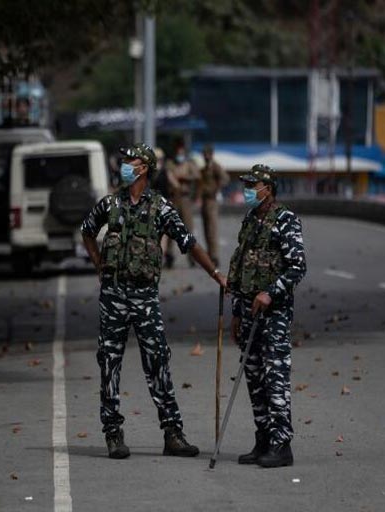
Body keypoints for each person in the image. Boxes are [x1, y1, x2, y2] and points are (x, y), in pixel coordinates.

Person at [81, 143, 227, 459]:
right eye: (123, 162)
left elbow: (188, 242)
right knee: (109, 363)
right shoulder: (109, 203)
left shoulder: (160, 208)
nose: (124, 166)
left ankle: (173, 434)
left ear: (144, 167)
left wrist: (216, 274)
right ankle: (113, 434)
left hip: (145, 298)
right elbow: (87, 232)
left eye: (130, 161)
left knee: (158, 362)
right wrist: (99, 267)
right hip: (114, 296)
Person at [227, 164, 306, 468]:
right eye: (246, 184)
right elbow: (241, 267)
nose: (247, 189)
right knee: (254, 377)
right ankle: (262, 440)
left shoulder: (286, 220)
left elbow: (297, 266)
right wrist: (237, 312)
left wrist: (270, 292)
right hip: (248, 312)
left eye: (253, 185)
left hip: (273, 314)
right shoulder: (249, 220)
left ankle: (281, 444)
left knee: (275, 378)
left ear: (268, 188)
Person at [164, 140, 199, 267]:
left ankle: (192, 257)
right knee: (171, 227)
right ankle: (169, 256)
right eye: (178, 150)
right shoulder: (170, 163)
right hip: (174, 198)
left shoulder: (189, 163)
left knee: (188, 228)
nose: (179, 153)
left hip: (185, 199)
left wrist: (186, 177)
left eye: (181, 150)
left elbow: (196, 176)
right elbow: (169, 176)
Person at [197, 144, 229, 266]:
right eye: (204, 154)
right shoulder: (204, 168)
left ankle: (214, 255)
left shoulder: (215, 167)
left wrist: (216, 188)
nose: (205, 156)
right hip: (205, 200)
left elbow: (225, 178)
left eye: (207, 154)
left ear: (211, 154)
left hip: (212, 200)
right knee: (205, 228)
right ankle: (210, 254)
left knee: (212, 229)